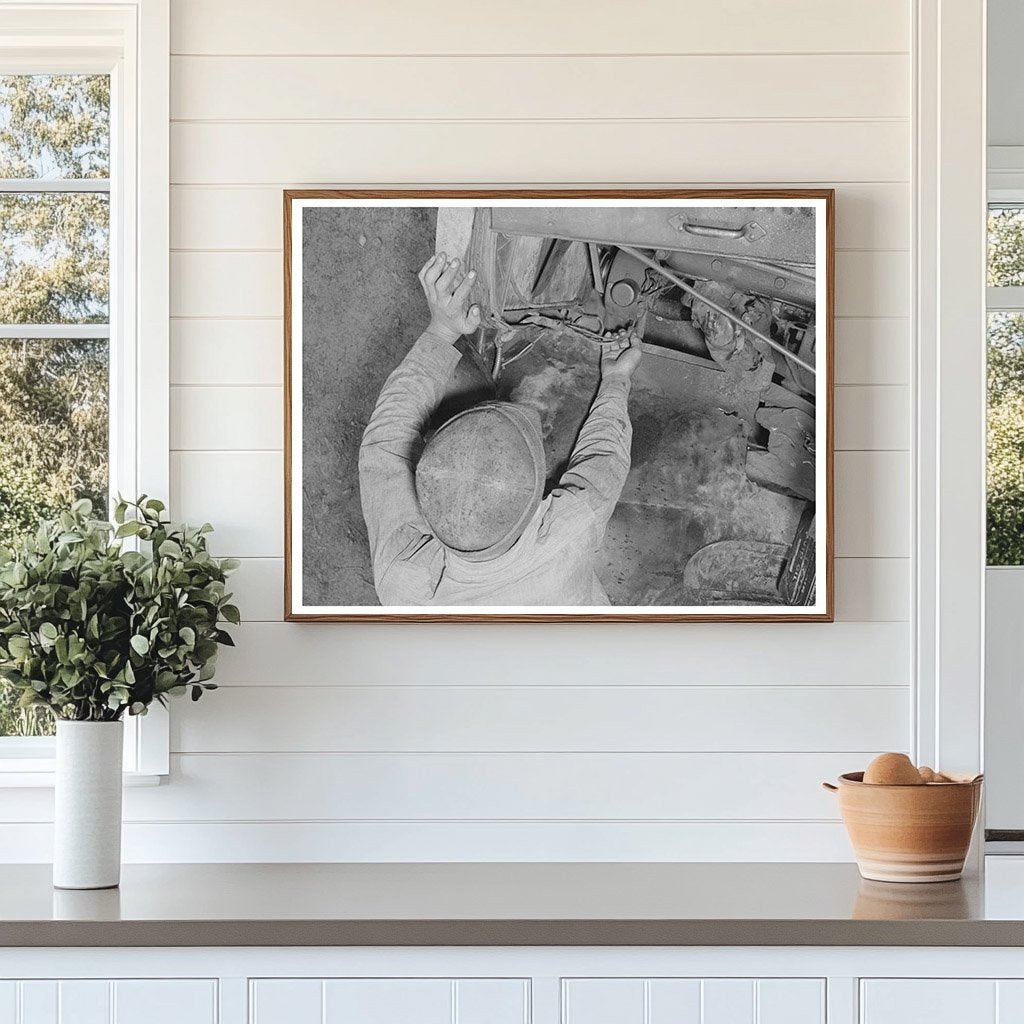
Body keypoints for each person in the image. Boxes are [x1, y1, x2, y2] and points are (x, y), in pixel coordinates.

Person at [358, 251, 643, 606]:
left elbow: (384, 446)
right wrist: (616, 378)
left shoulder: (402, 581)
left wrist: (441, 330)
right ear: (540, 498)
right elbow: (604, 456)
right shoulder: (570, 532)